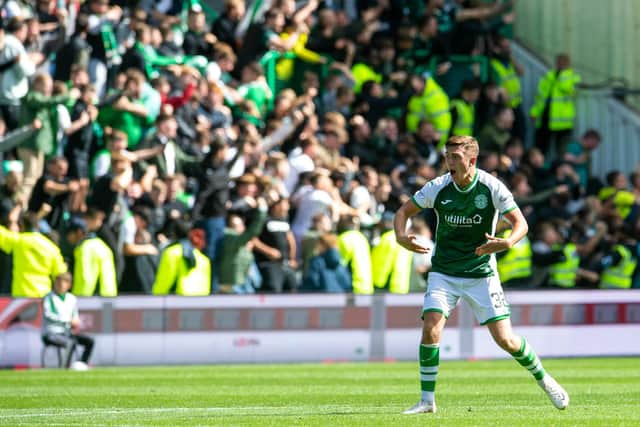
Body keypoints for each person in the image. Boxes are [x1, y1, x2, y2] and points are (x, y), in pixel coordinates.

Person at [393, 135, 569, 414]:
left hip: (481, 273)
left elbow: (520, 223)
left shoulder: (491, 187)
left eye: (455, 157)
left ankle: (545, 379)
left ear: (471, 160)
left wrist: (508, 242)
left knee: (505, 340)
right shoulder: (438, 187)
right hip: (444, 272)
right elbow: (404, 211)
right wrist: (401, 237)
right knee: (431, 326)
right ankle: (427, 400)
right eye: (447, 156)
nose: (449, 162)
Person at [42, 272, 94, 370]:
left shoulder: (71, 298)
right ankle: (65, 368)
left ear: (69, 285)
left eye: (62, 284)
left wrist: (76, 321)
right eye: (57, 283)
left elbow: (75, 315)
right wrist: (67, 321)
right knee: (71, 342)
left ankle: (82, 365)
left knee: (89, 341)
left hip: (67, 332)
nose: (59, 286)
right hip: (51, 333)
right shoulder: (49, 297)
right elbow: (48, 315)